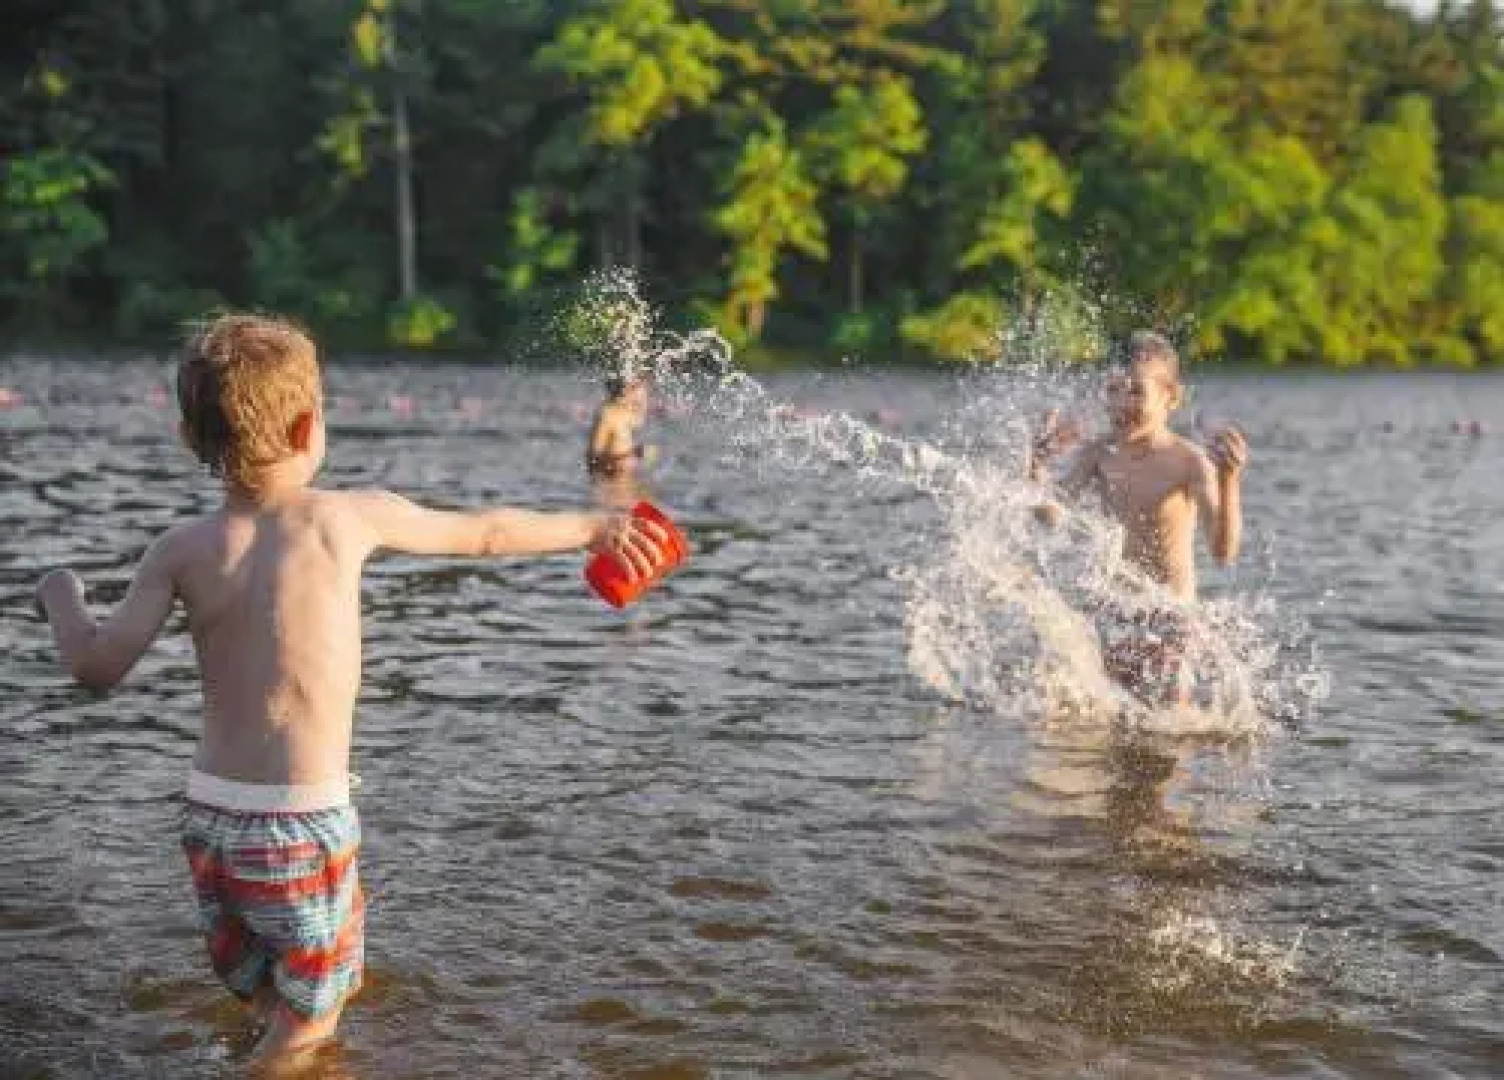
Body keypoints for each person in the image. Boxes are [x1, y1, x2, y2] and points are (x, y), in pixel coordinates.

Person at [32, 314, 666, 1071]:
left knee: (269, 996)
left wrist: (62, 597)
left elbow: (98, 666)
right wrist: (594, 529)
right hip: (299, 822)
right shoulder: (345, 518)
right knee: (313, 1019)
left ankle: (254, 1046)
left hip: (209, 822)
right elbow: (487, 533)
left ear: (186, 436)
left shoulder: (178, 549)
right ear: (308, 428)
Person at [1030, 331, 1248, 704]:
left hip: (1170, 622)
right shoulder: (1098, 453)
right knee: (1104, 727)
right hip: (1116, 614)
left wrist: (1229, 482)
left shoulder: (1189, 462)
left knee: (1169, 726)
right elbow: (1050, 515)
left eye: (1136, 392)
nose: (1121, 402)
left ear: (1171, 397)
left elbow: (1223, 553)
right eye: (1113, 389)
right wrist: (1037, 463)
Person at [585, 371, 651, 493]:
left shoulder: (624, 414)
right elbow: (592, 457)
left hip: (625, 477)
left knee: (651, 505)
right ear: (625, 392)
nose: (643, 400)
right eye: (640, 394)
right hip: (614, 481)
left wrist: (634, 454)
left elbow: (639, 418)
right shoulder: (608, 415)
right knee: (647, 510)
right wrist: (626, 458)